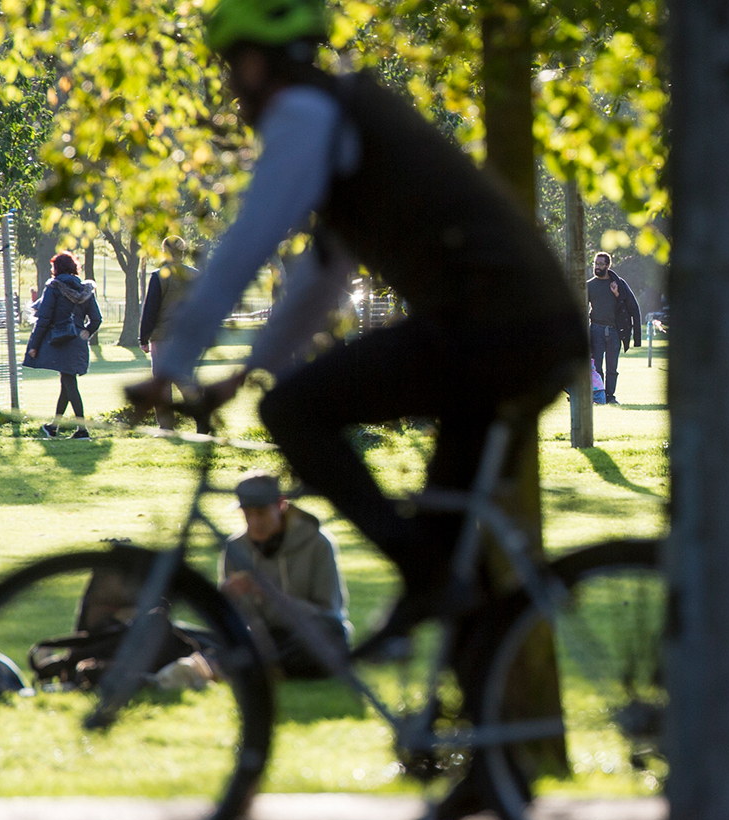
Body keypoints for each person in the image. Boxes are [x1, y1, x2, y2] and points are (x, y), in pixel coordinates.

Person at [127, 0, 585, 665]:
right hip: (519, 333)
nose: (229, 87)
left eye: (230, 68)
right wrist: (246, 368)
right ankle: (483, 754)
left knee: (295, 409)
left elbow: (249, 241)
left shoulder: (304, 115)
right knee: (450, 559)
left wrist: (172, 365)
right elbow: (323, 276)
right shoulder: (345, 118)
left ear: (256, 61)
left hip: (490, 330)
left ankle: (423, 573)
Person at [220, 471, 352, 679]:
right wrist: (226, 595)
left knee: (329, 635)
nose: (255, 522)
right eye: (248, 513)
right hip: (261, 637)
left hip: (306, 632)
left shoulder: (317, 544)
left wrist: (269, 593)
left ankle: (254, 668)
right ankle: (267, 667)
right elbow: (236, 619)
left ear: (281, 504)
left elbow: (330, 614)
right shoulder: (235, 547)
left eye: (261, 513)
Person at [24, 251, 103, 439]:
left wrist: (33, 346)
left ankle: (82, 429)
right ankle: (54, 426)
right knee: (66, 383)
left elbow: (43, 319)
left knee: (69, 383)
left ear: (56, 268)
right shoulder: (85, 290)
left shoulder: (53, 288)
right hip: (77, 342)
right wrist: (87, 331)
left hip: (61, 340)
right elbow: (96, 319)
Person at [584, 251, 642, 405]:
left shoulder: (619, 284)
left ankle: (610, 396)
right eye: (596, 263)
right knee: (596, 368)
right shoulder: (589, 286)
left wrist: (617, 295)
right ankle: (599, 396)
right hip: (596, 329)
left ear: (608, 265)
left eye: (601, 264)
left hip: (615, 331)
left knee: (612, 367)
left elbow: (633, 308)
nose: (598, 267)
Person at [138, 235, 198, 355]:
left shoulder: (159, 276)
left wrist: (144, 337)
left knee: (162, 372)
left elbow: (151, 308)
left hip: (163, 336)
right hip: (188, 336)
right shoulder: (195, 275)